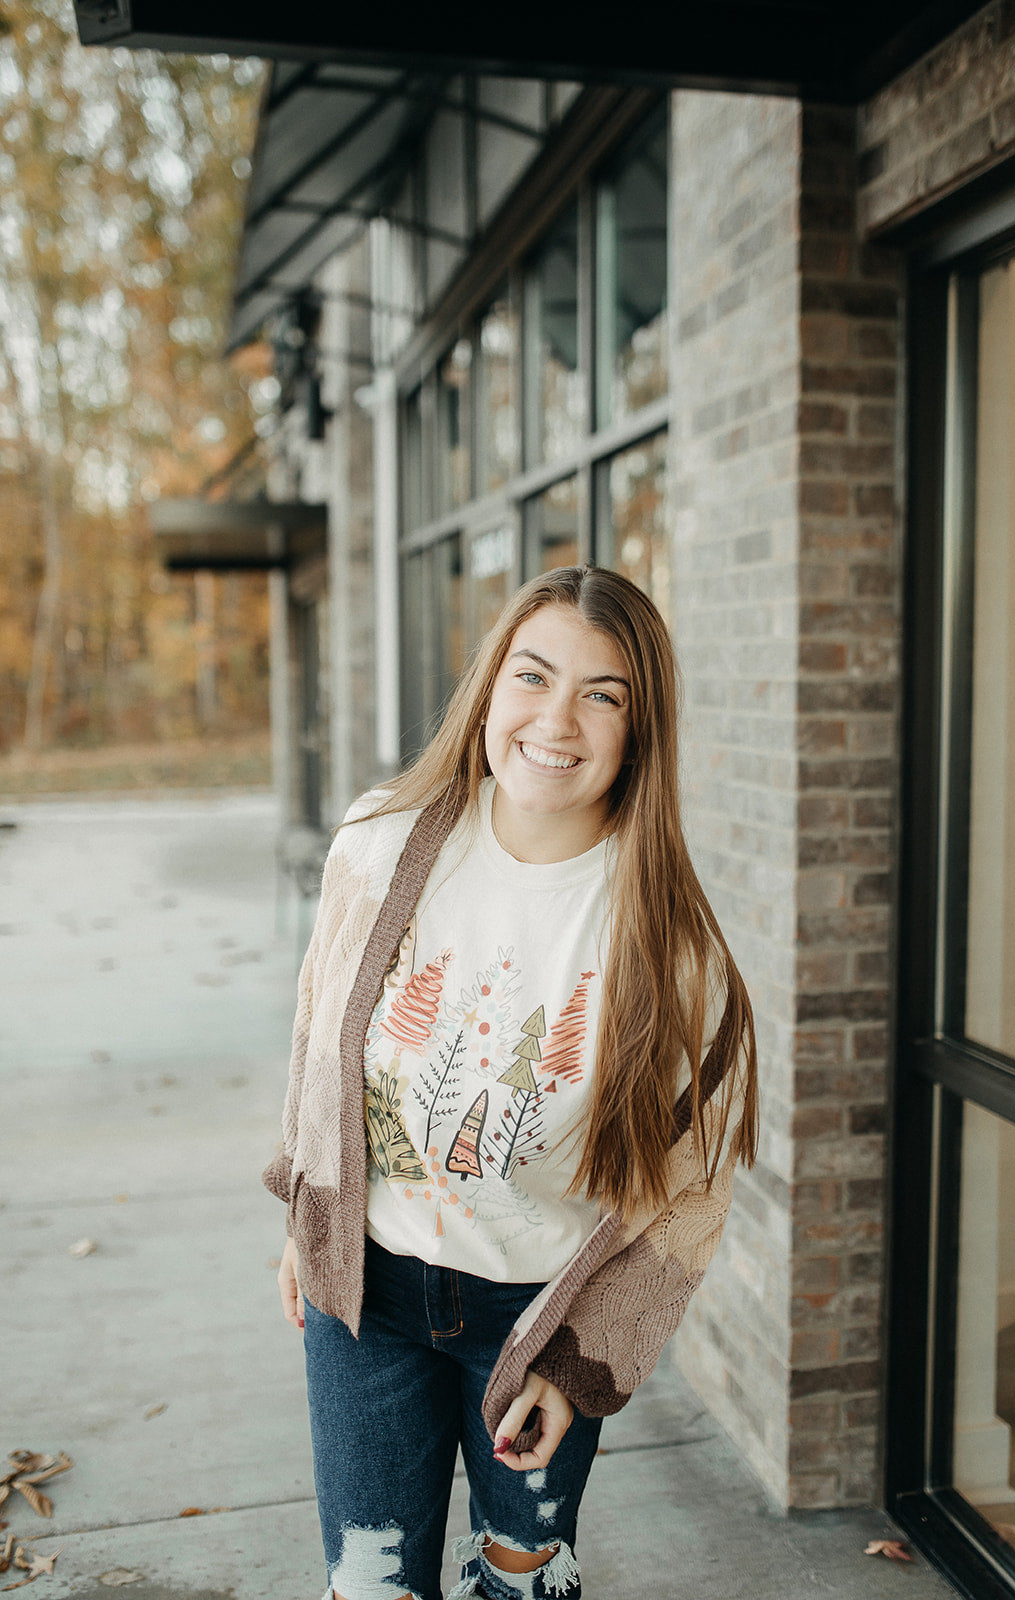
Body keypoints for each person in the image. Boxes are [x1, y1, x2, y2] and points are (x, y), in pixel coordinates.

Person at [266, 564, 758, 1600]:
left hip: (536, 1317)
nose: (557, 720)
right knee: (369, 1584)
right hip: (369, 1297)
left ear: (638, 728)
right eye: (533, 676)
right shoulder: (378, 843)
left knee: (521, 1580)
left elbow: (687, 1192)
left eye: (602, 693)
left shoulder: (672, 950)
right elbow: (318, 1034)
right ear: (490, 689)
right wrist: (303, 1212)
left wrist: (582, 1360)